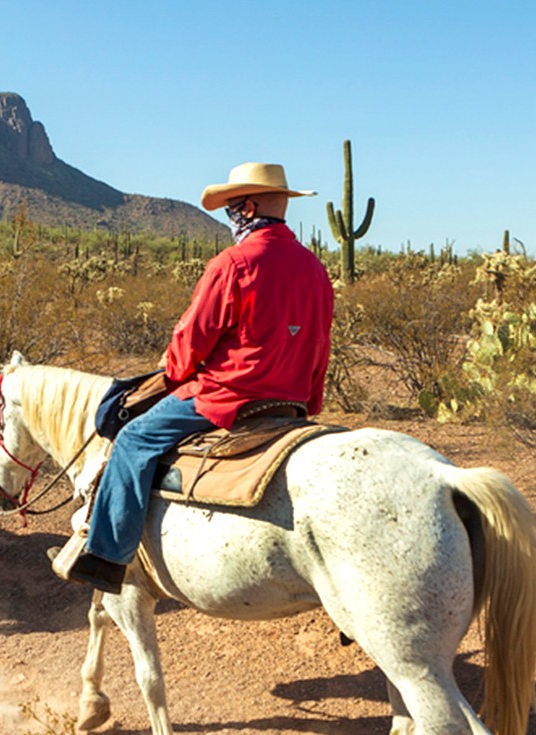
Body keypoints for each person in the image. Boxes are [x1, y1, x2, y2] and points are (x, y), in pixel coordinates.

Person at [55, 163, 335, 592]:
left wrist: (173, 374)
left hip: (227, 397)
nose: (230, 219)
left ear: (250, 206)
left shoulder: (234, 263)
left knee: (134, 440)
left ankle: (106, 557)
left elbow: (192, 339)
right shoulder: (315, 269)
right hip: (290, 401)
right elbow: (319, 343)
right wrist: (307, 404)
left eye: (231, 209)